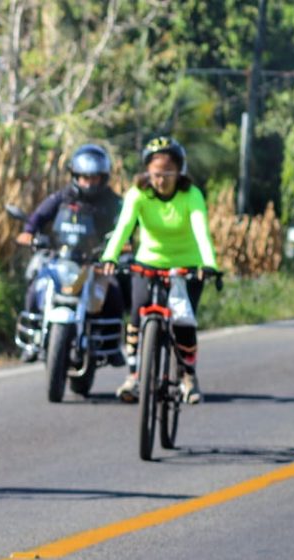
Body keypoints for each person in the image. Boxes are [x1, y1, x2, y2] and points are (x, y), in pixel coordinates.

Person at [101, 136, 218, 405]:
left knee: (184, 320)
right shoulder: (138, 194)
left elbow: (202, 232)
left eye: (167, 173)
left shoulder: (192, 195)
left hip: (186, 265)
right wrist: (110, 255)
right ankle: (133, 375)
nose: (161, 179)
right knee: (136, 314)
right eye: (155, 173)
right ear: (147, 172)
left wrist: (208, 263)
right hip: (148, 263)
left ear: (179, 171)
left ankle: (188, 375)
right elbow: (124, 228)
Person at [14, 144, 127, 366]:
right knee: (35, 287)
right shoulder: (63, 197)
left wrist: (124, 246)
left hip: (93, 263)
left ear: (103, 178)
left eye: (94, 178)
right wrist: (29, 233)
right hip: (61, 258)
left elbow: (126, 226)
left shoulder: (113, 202)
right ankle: (33, 339)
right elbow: (39, 216)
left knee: (113, 291)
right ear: (75, 176)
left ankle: (111, 346)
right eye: (84, 178)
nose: (89, 183)